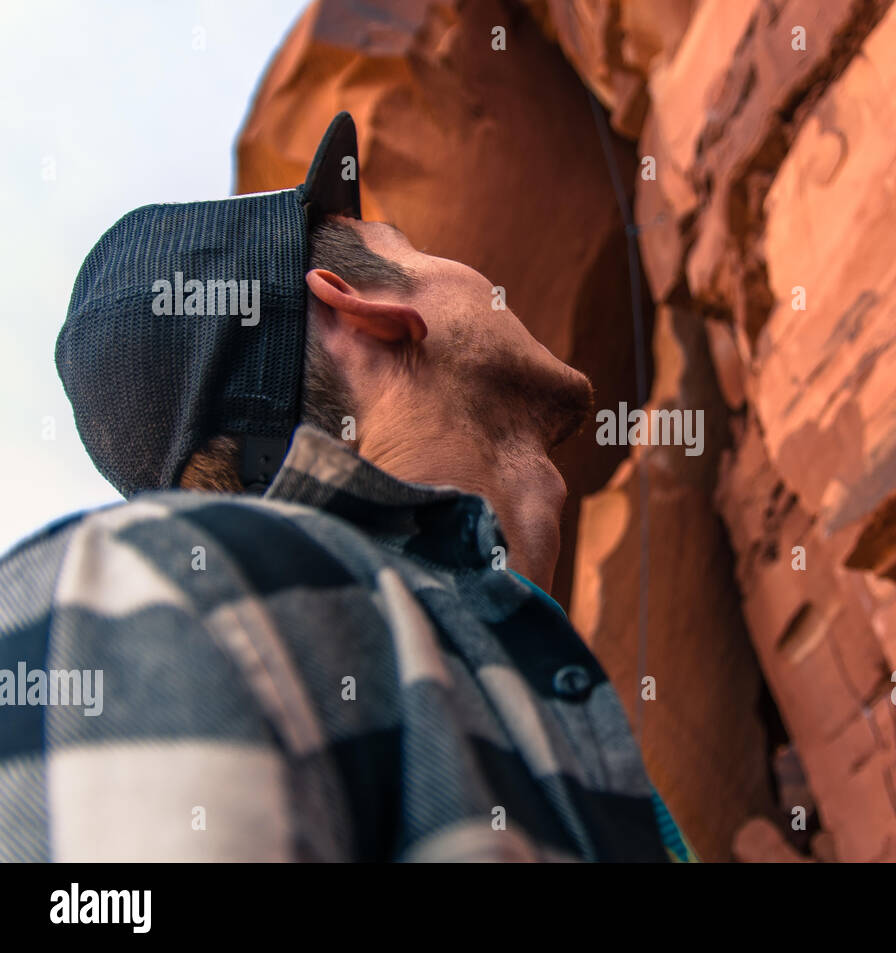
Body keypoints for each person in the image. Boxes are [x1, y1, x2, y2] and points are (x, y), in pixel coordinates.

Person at [0, 113, 695, 862]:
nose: (474, 273)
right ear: (355, 310)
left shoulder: (515, 687)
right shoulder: (132, 589)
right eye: (406, 245)